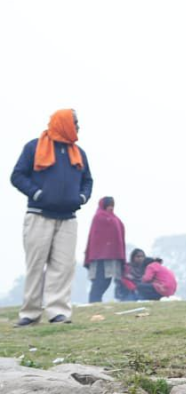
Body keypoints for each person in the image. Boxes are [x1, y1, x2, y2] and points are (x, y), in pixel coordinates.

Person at [10, 109, 94, 326]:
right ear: (63, 123)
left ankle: (58, 312)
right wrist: (38, 194)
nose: (78, 127)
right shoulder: (33, 147)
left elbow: (88, 180)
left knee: (64, 267)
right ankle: (30, 313)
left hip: (68, 218)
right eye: (75, 122)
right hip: (39, 217)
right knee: (36, 265)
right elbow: (17, 176)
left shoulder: (78, 153)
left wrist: (82, 197)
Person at [83, 196, 126, 303]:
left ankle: (96, 301)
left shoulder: (114, 218)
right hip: (100, 257)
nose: (110, 207)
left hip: (112, 255)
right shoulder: (99, 217)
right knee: (100, 280)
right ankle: (94, 301)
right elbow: (97, 238)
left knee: (107, 280)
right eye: (108, 205)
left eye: (112, 205)